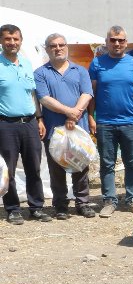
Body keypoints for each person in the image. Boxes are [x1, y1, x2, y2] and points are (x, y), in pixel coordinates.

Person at [34, 33, 96, 220]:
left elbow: (87, 93)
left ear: (66, 47)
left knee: (80, 166)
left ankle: (82, 203)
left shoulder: (80, 70)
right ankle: (61, 205)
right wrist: (69, 112)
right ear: (47, 49)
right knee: (57, 169)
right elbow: (44, 98)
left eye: (61, 45)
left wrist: (74, 113)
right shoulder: (40, 73)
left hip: (78, 129)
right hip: (54, 130)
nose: (58, 48)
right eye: (53, 46)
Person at [88, 25, 133, 217]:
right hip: (105, 122)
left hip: (131, 121)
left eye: (120, 40)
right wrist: (90, 117)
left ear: (126, 43)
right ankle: (109, 200)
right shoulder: (97, 64)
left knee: (131, 162)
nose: (117, 43)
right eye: (113, 40)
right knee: (107, 163)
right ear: (107, 42)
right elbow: (92, 94)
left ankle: (131, 198)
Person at [0, 24, 51, 225]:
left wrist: (39, 118)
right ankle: (12, 209)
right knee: (8, 170)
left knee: (34, 167)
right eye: (7, 39)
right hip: (6, 124)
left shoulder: (27, 64)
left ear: (21, 41)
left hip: (29, 123)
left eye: (15, 39)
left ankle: (36, 207)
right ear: (1, 41)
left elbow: (32, 94)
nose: (12, 43)